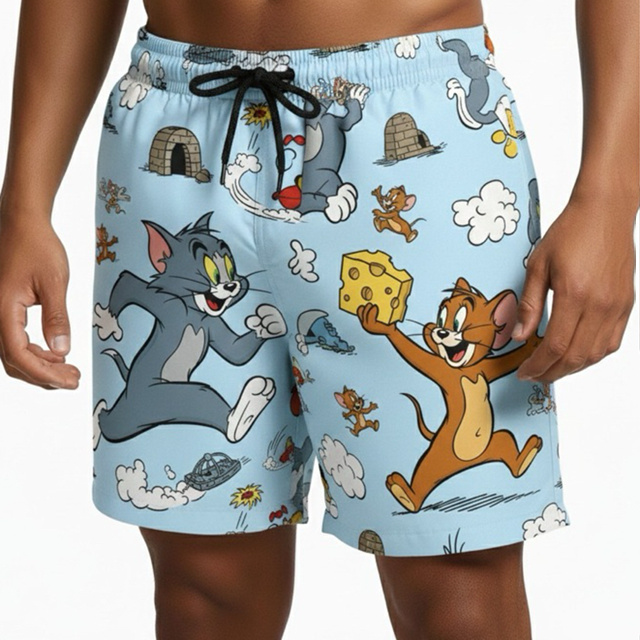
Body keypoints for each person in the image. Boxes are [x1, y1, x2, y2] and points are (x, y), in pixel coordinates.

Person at [0, 0, 637, 638]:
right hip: (176, 122)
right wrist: (23, 205)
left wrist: (610, 197)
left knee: (455, 580)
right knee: (204, 586)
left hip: (410, 131)